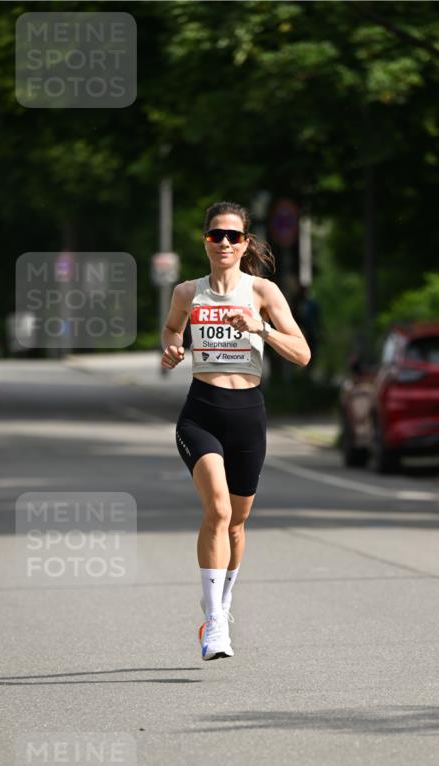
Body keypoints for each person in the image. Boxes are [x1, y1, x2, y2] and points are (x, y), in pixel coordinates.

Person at [161, 200, 311, 660]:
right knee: (219, 511)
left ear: (245, 243)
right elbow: (171, 330)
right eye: (215, 235)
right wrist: (171, 350)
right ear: (205, 240)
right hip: (201, 412)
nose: (224, 242)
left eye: (233, 236)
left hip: (248, 413)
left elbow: (303, 354)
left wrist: (260, 328)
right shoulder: (188, 292)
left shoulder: (262, 291)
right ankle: (216, 627)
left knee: (238, 523)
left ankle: (221, 605)